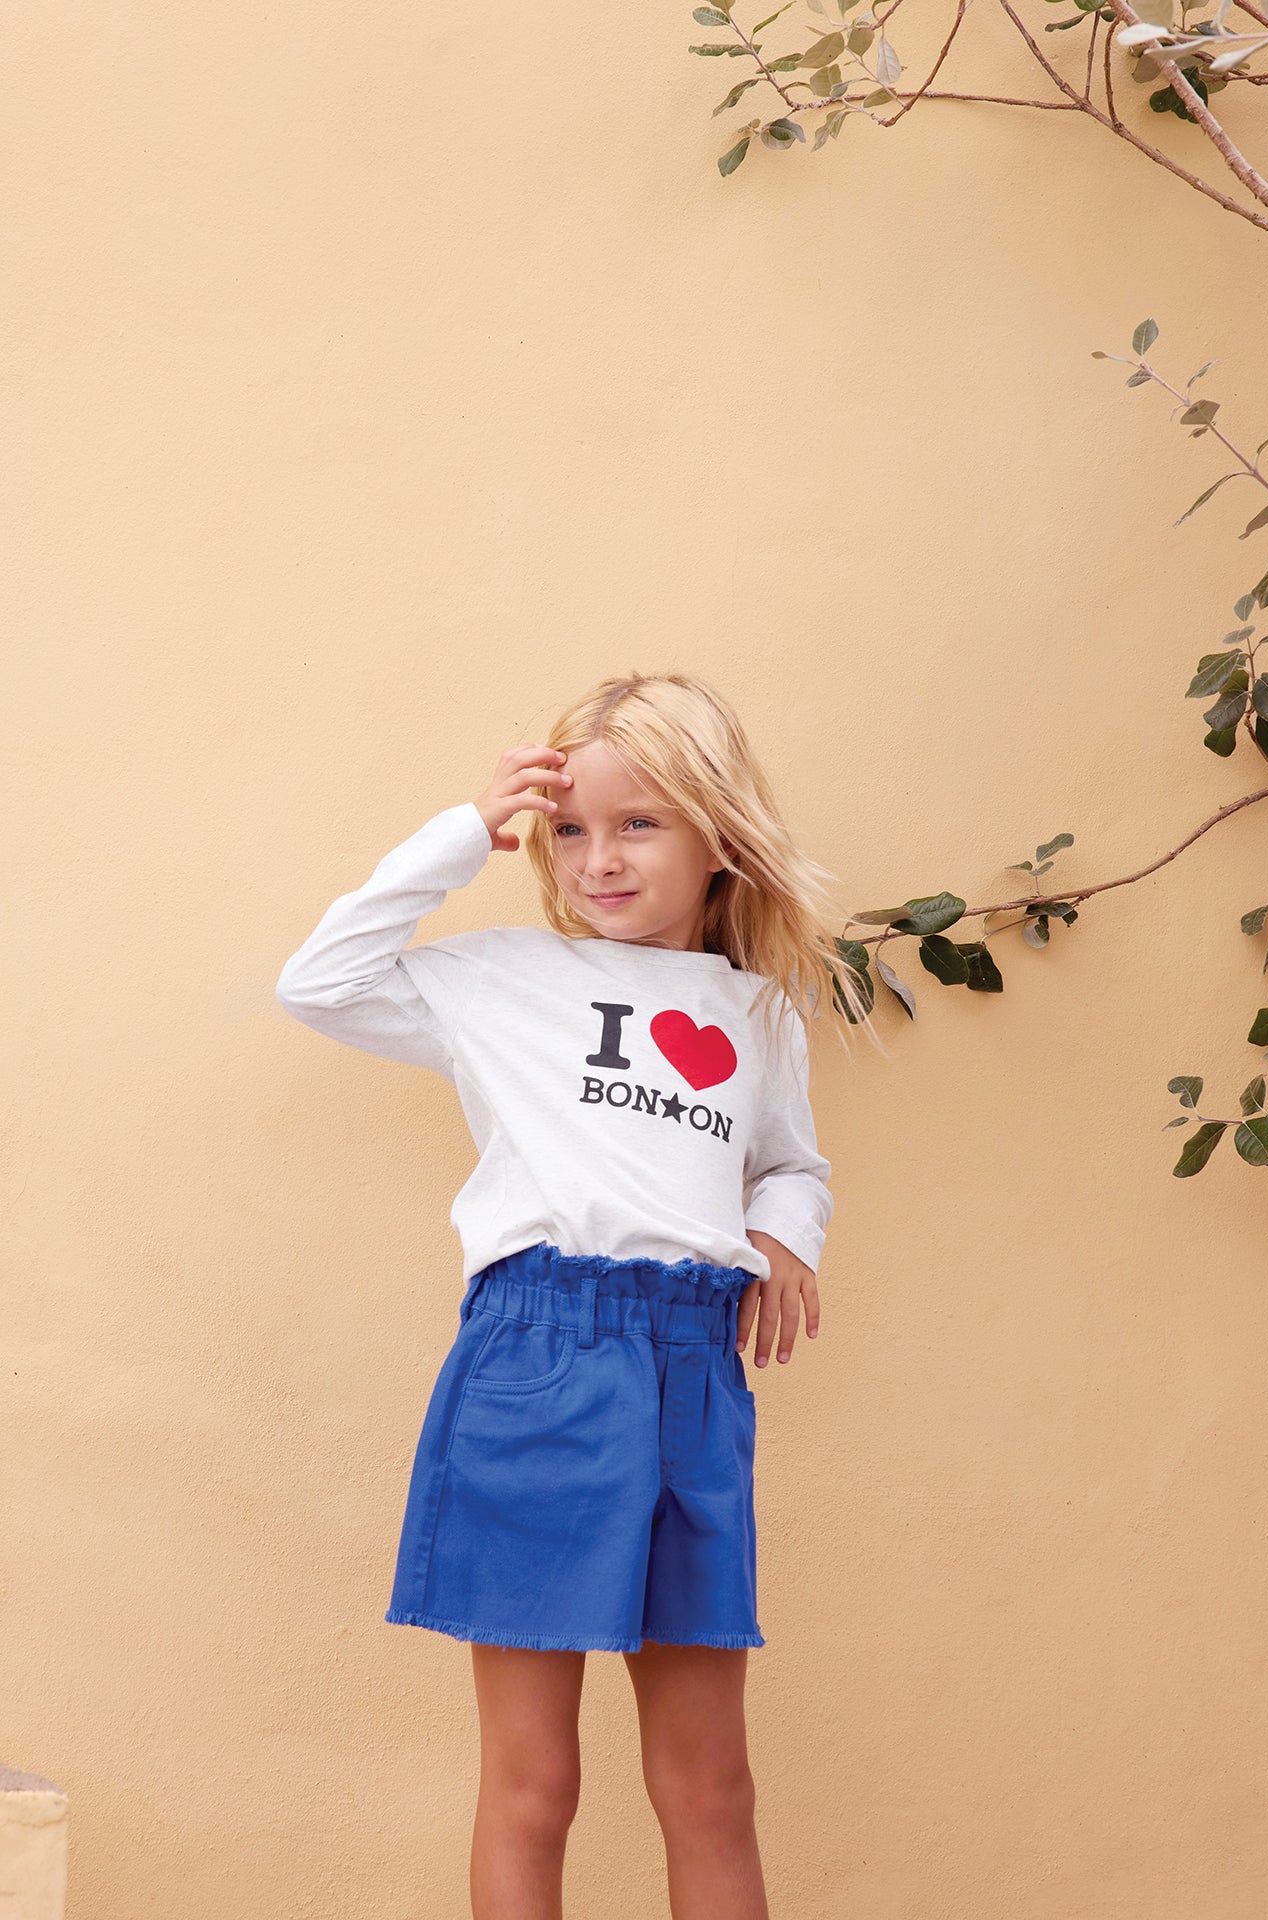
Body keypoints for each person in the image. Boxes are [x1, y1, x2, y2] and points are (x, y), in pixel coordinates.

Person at [275, 670, 874, 1920]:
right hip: (538, 1356)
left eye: (638, 823)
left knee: (710, 1787)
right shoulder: (502, 979)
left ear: (720, 836)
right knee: (533, 1782)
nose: (597, 860)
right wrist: (465, 831)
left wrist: (783, 1234)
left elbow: (786, 1162)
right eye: (568, 830)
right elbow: (321, 981)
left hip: (690, 1373)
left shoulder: (757, 1012)